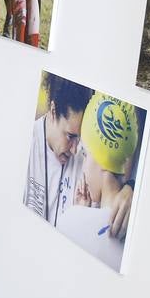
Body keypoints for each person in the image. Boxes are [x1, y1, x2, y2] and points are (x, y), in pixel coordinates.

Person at [23, 74, 93, 225]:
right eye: (70, 136)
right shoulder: (26, 145)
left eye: (79, 138)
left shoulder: (85, 161)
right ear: (53, 111)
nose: (75, 150)